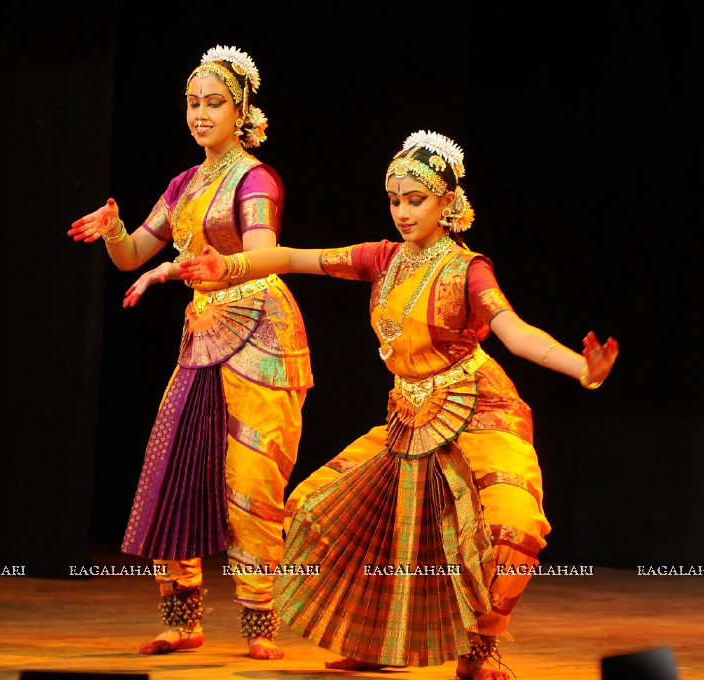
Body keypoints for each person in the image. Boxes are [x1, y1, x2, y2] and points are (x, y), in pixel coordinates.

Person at [175, 129, 619, 680]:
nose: (403, 212)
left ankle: (479, 650)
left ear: (449, 203)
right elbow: (293, 256)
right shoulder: (381, 259)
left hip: (476, 410)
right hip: (409, 415)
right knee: (324, 514)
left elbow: (515, 331)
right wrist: (231, 268)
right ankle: (374, 640)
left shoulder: (467, 269)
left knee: (511, 528)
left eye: (417, 200)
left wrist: (583, 369)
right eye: (395, 200)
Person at [67, 45, 312, 660]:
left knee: (252, 476)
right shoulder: (183, 184)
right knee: (175, 468)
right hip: (203, 335)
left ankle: (259, 624)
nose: (201, 114)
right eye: (193, 103)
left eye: (214, 104)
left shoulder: (256, 179)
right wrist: (116, 231)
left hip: (260, 332)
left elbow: (259, 253)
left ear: (242, 111)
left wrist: (182, 270)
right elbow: (131, 256)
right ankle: (181, 619)